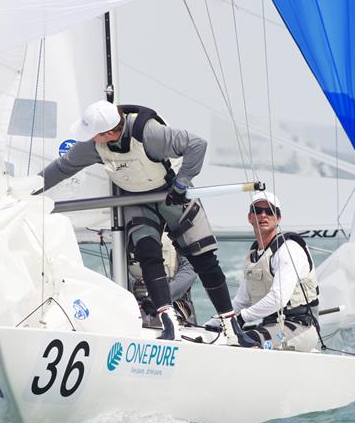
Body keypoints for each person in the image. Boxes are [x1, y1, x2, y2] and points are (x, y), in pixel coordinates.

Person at [38, 100, 233, 340]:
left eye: (92, 134)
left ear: (109, 133)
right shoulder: (92, 146)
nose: (87, 139)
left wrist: (182, 182)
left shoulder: (150, 133)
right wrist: (29, 188)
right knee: (148, 255)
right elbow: (63, 167)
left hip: (171, 193)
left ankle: (231, 326)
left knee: (203, 259)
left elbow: (196, 145)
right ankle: (168, 323)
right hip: (136, 199)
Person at [206, 192, 320, 351]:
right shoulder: (254, 255)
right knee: (216, 338)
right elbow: (241, 301)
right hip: (271, 326)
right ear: (250, 217)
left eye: (270, 211)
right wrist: (214, 322)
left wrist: (242, 318)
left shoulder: (288, 249)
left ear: (278, 218)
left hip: (299, 328)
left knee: (241, 344)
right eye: (257, 210)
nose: (263, 215)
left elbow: (278, 298)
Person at [129, 234, 197, 327]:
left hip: (175, 307)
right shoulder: (122, 236)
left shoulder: (180, 232)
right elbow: (119, 272)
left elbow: (189, 270)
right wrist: (136, 284)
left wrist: (160, 295)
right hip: (137, 308)